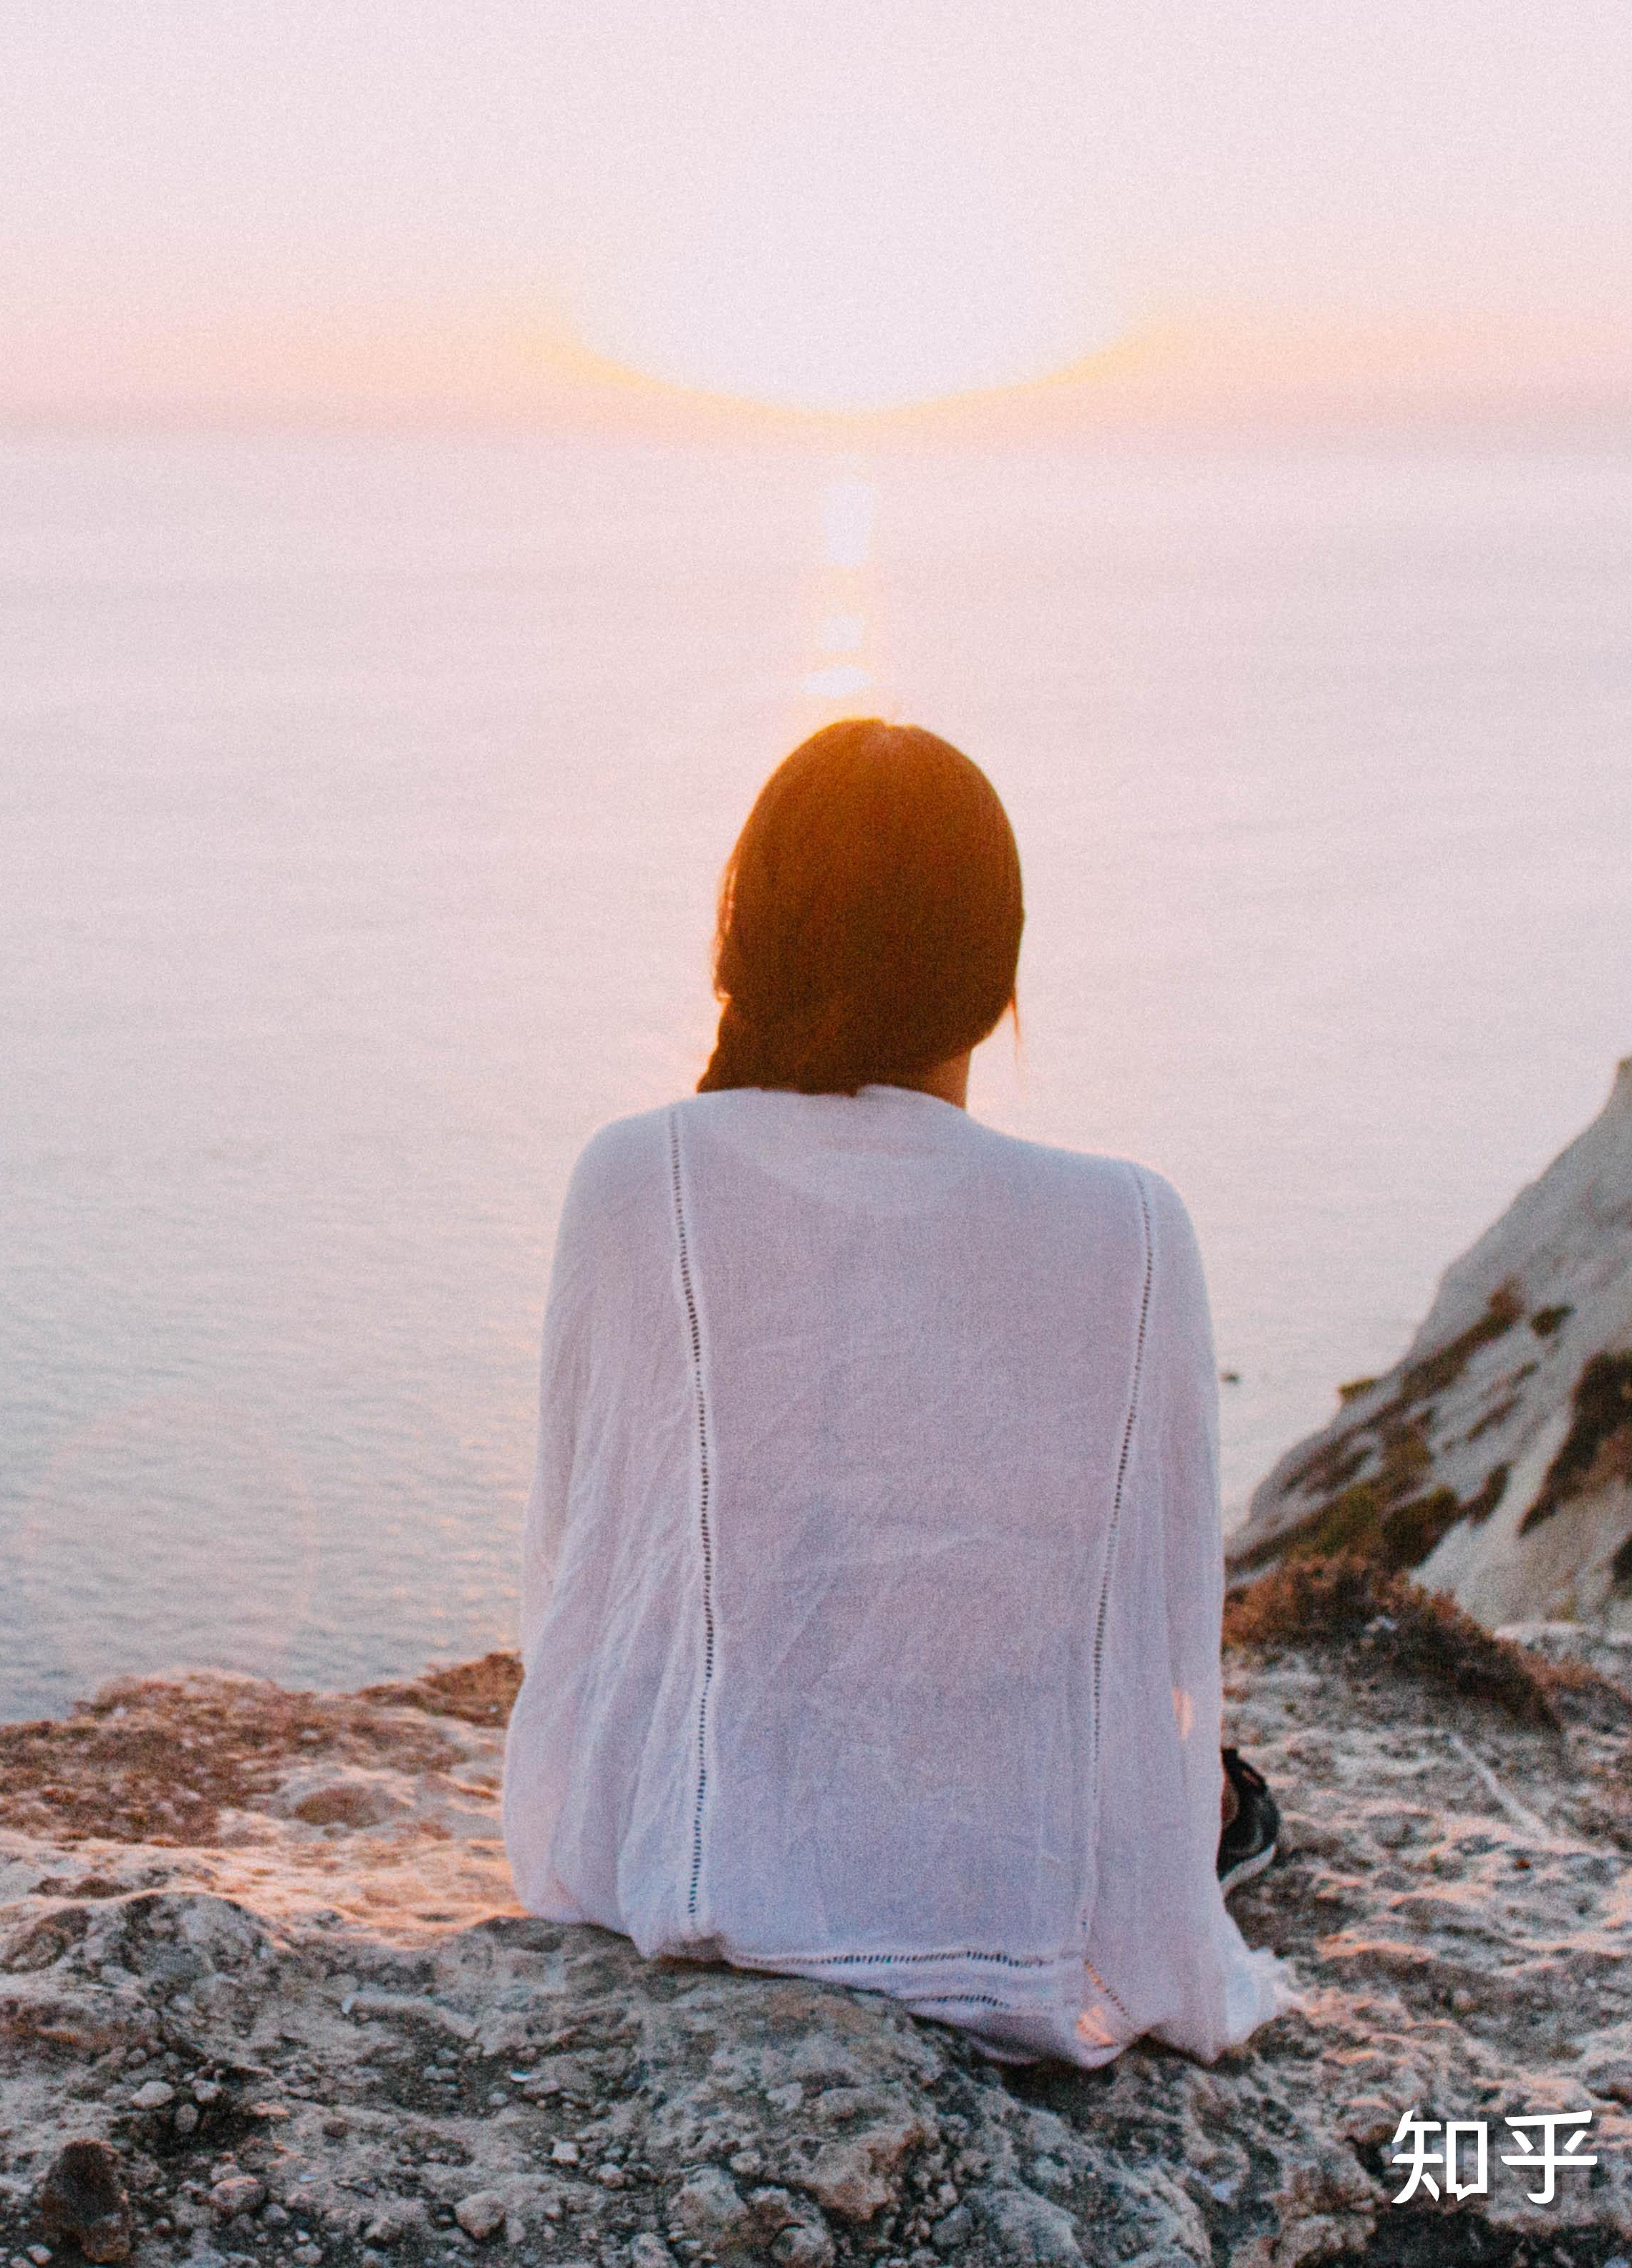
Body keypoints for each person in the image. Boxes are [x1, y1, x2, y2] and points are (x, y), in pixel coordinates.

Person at [501, 719, 1287, 2066]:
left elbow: (580, 1583)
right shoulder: (1133, 1226)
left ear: (743, 940)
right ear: (990, 975)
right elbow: (1158, 1631)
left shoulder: (636, 1178)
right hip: (1006, 1878)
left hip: (691, 1859)